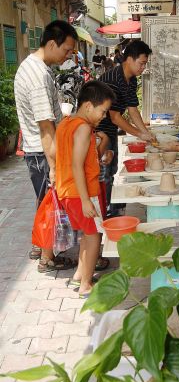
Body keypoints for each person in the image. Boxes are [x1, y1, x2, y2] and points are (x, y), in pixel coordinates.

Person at [14, 20, 78, 270]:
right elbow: (45, 128)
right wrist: (54, 165)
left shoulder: (34, 66)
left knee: (43, 200)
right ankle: (47, 258)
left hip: (37, 150)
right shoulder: (39, 75)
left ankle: (40, 245)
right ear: (52, 43)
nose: (69, 55)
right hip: (42, 151)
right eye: (67, 49)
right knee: (51, 201)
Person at [55, 81, 115, 297]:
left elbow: (57, 154)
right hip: (82, 192)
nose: (104, 116)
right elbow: (76, 165)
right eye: (103, 111)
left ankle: (79, 275)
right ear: (88, 106)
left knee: (86, 234)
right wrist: (86, 200)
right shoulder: (82, 127)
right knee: (93, 236)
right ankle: (86, 285)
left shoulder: (65, 123)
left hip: (67, 191)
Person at [97, 40, 154, 215]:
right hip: (98, 131)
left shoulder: (131, 79)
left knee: (112, 170)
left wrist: (146, 133)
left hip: (110, 130)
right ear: (129, 59)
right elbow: (115, 117)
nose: (143, 67)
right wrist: (139, 134)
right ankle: (102, 211)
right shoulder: (114, 78)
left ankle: (110, 206)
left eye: (145, 64)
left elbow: (132, 109)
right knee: (102, 172)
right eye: (141, 63)